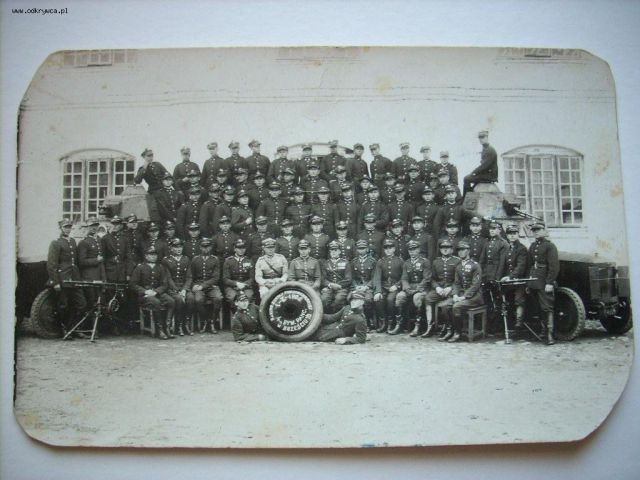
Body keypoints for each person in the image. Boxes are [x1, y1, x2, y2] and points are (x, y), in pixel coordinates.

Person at [47, 218, 88, 338]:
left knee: (82, 304)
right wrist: (55, 282)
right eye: (65, 227)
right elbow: (52, 264)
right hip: (63, 278)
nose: (68, 229)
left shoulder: (73, 241)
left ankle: (75, 327)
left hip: (75, 278)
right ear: (60, 228)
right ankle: (64, 329)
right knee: (63, 305)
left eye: (69, 227)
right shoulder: (56, 243)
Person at [129, 246, 175, 339]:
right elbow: (133, 284)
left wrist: (156, 292)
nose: (153, 257)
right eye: (151, 255)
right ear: (146, 256)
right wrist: (145, 291)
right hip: (145, 296)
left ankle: (167, 327)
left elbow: (164, 284)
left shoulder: (161, 267)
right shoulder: (140, 267)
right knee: (156, 302)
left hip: (157, 293)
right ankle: (160, 329)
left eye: (155, 255)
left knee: (171, 301)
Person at [527, 222, 560, 345]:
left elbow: (554, 266)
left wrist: (549, 282)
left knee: (547, 307)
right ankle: (542, 331)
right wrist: (529, 282)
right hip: (534, 280)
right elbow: (530, 265)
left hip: (544, 281)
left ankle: (550, 334)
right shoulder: (532, 246)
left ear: (544, 231)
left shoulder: (550, 246)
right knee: (538, 307)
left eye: (538, 230)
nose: (536, 232)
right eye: (534, 230)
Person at [423, 239, 460, 338]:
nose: (445, 250)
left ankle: (448, 327)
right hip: (440, 289)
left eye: (447, 248)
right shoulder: (436, 261)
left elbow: (459, 279)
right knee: (428, 298)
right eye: (443, 248)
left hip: (452, 289)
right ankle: (430, 325)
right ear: (440, 249)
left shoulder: (457, 261)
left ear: (452, 249)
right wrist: (437, 288)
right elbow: (432, 278)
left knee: (446, 305)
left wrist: (450, 288)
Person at [395, 240, 431, 336]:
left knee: (417, 297)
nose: (412, 252)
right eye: (410, 250)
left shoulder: (425, 262)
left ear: (418, 250)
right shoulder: (406, 263)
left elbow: (427, 278)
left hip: (422, 288)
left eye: (414, 249)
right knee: (400, 296)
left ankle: (418, 325)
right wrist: (407, 289)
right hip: (410, 288)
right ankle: (400, 324)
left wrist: (417, 289)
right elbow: (404, 278)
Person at [449, 241, 483, 342]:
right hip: (461, 294)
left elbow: (475, 285)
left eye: (463, 250)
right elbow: (456, 283)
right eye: (459, 250)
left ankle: (457, 333)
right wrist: (455, 294)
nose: (460, 252)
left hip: (474, 296)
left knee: (456, 306)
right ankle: (450, 330)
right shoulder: (458, 266)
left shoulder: (475, 265)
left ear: (468, 251)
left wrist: (464, 297)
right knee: (446, 305)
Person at [498, 224, 529, 335]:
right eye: (510, 234)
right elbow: (503, 266)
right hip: (508, 282)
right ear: (507, 235)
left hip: (520, 281)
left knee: (519, 300)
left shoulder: (522, 249)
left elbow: (521, 267)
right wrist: (499, 278)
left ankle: (518, 324)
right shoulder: (507, 249)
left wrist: (510, 277)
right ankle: (506, 325)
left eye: (514, 233)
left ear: (518, 235)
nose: (512, 236)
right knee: (503, 300)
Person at [189, 238, 223, 334]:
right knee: (198, 300)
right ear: (200, 247)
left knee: (218, 298)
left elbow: (216, 277)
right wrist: (194, 285)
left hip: (212, 286)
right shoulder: (195, 259)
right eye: (203, 247)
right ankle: (204, 320)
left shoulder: (215, 259)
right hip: (198, 285)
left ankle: (212, 321)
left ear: (211, 247)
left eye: (207, 246)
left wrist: (203, 286)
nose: (206, 249)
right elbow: (191, 276)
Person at [162, 238, 194, 336]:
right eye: (175, 247)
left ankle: (186, 324)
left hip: (184, 287)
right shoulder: (166, 260)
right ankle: (178, 326)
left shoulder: (186, 259)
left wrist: (184, 289)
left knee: (191, 299)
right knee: (179, 300)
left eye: (180, 247)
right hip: (172, 288)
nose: (178, 249)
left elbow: (189, 277)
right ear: (171, 248)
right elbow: (168, 278)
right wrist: (177, 290)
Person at [373, 238, 404, 333]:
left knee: (390, 300)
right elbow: (377, 277)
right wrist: (378, 291)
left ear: (394, 249)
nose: (388, 250)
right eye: (386, 248)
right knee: (378, 299)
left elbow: (404, 277)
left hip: (394, 287)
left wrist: (397, 286)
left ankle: (392, 322)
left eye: (390, 248)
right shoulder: (380, 261)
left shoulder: (400, 261)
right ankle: (383, 322)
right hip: (384, 286)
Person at [78, 217, 106, 309]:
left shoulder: (99, 240)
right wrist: (96, 260)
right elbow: (81, 261)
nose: (94, 228)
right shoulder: (84, 242)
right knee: (91, 302)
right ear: (87, 227)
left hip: (99, 275)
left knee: (100, 302)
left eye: (96, 225)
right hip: (89, 277)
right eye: (91, 226)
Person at [350, 239, 377, 329]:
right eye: (359, 248)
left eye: (363, 248)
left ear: (367, 249)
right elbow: (352, 277)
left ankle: (368, 321)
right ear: (357, 249)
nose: (361, 250)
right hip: (357, 286)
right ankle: (357, 323)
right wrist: (356, 286)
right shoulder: (353, 262)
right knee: (352, 298)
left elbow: (374, 277)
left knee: (368, 299)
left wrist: (367, 286)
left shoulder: (372, 261)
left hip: (368, 286)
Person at [321, 241, 352, 313]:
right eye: (332, 250)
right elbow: (323, 279)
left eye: (335, 250)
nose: (333, 252)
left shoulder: (345, 262)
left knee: (339, 299)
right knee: (324, 299)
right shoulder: (325, 263)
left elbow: (348, 279)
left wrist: (338, 285)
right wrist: (330, 285)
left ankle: (337, 316)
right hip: (329, 287)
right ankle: (328, 316)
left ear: (339, 251)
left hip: (342, 288)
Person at [463, 130, 498, 196]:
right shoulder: (486, 148)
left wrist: (474, 172)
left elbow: (484, 166)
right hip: (486, 174)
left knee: (466, 179)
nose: (481, 140)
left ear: (487, 137)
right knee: (473, 182)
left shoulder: (490, 150)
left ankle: (465, 198)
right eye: (479, 138)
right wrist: (475, 173)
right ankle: (469, 195)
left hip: (490, 176)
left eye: (482, 137)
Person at [222, 239, 255, 304]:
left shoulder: (249, 260)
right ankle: (234, 310)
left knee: (249, 296)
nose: (241, 250)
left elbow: (252, 278)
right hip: (232, 286)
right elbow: (225, 279)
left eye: (243, 248)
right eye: (239, 248)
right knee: (231, 297)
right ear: (235, 249)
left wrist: (244, 284)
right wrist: (236, 284)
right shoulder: (228, 261)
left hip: (246, 286)